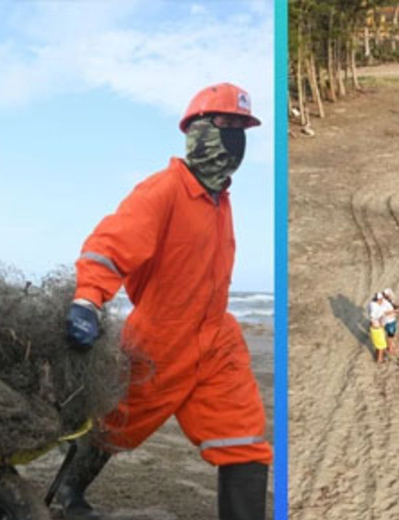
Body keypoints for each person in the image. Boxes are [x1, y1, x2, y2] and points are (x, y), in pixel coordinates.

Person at [60, 83, 271, 520]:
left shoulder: (220, 200)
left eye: (241, 128)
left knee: (244, 440)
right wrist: (87, 301)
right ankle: (68, 488)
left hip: (216, 341)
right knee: (112, 427)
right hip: (158, 342)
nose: (234, 137)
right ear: (195, 131)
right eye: (225, 125)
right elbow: (109, 245)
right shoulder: (162, 192)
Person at [381, 288, 399, 355]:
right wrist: (395, 311)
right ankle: (390, 348)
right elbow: (384, 312)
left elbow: (393, 305)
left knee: (391, 334)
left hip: (390, 320)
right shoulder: (384, 303)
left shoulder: (388, 301)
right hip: (388, 321)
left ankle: (391, 344)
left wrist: (397, 308)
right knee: (390, 335)